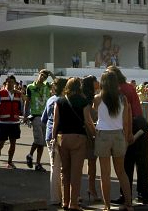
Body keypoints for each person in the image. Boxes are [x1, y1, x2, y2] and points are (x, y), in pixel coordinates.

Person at [107, 66, 148, 206]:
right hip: (141, 122)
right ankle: (143, 195)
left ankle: (125, 195)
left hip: (132, 124)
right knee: (142, 162)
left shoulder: (119, 91)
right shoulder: (129, 87)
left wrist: (127, 133)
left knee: (127, 163)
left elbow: (126, 114)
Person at [52, 77, 94, 211]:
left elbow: (55, 122)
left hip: (62, 138)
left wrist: (53, 138)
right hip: (78, 137)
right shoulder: (84, 101)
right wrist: (95, 133)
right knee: (76, 172)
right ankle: (74, 203)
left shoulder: (59, 101)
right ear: (79, 87)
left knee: (65, 171)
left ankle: (65, 201)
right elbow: (88, 121)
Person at [93, 71, 133, 211]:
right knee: (121, 172)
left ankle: (107, 206)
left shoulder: (98, 98)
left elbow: (94, 112)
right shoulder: (123, 99)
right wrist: (127, 137)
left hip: (103, 134)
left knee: (105, 173)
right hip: (118, 135)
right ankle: (129, 203)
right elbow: (126, 121)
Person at [42, 77, 67, 208]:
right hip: (61, 134)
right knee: (63, 168)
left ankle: (55, 197)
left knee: (54, 167)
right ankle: (63, 196)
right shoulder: (64, 101)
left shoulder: (50, 100)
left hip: (49, 134)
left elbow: (44, 118)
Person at [0, 75, 24, 168]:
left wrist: (21, 93)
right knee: (1, 142)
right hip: (3, 122)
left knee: (13, 143)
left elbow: (26, 100)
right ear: (6, 83)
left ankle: (10, 162)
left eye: (12, 82)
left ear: (15, 83)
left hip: (15, 122)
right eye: (9, 82)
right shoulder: (1, 93)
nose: (10, 84)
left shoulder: (18, 94)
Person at [25, 69, 50, 172]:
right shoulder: (30, 87)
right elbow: (27, 102)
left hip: (45, 116)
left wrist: (51, 73)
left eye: (45, 76)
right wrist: (25, 115)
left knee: (42, 142)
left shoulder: (47, 86)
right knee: (39, 140)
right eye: (42, 75)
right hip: (36, 116)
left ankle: (37, 162)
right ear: (38, 74)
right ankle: (31, 155)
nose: (43, 77)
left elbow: (57, 81)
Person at [81, 75, 100, 203]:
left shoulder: (93, 97)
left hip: (89, 131)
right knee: (85, 161)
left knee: (91, 162)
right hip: (87, 133)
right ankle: (90, 189)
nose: (98, 82)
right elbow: (87, 118)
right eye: (95, 81)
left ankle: (91, 188)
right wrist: (95, 134)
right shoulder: (87, 99)